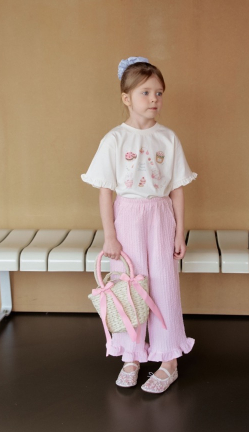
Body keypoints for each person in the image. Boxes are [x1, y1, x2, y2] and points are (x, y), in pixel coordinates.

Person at [81, 56, 197, 394]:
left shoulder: (168, 138)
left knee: (163, 284)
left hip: (160, 216)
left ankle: (168, 360)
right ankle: (131, 355)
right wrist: (110, 236)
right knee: (128, 284)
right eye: (145, 92)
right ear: (127, 98)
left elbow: (177, 189)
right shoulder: (114, 140)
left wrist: (178, 232)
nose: (154, 99)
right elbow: (105, 191)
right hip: (127, 217)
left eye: (159, 93)